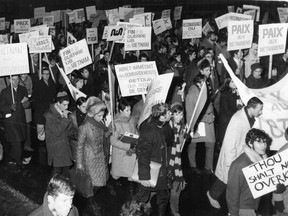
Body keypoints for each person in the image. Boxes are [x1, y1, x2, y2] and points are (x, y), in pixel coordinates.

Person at [207, 97, 264, 209]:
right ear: (251, 108)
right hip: (233, 156)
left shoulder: (250, 116)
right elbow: (229, 143)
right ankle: (212, 195)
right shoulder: (238, 119)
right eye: (259, 109)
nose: (261, 112)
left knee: (230, 180)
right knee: (226, 179)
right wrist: (230, 163)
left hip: (241, 153)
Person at [133, 103, 171, 216]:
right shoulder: (148, 131)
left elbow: (170, 140)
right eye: (168, 112)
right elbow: (143, 154)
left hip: (162, 171)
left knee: (163, 197)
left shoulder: (163, 125)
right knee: (141, 198)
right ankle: (130, 213)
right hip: (151, 171)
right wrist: (144, 177)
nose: (171, 113)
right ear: (162, 116)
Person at [76, 96, 111, 214]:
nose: (102, 118)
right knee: (92, 183)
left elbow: (102, 138)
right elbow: (79, 146)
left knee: (102, 181)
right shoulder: (84, 127)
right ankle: (91, 203)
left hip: (100, 157)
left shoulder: (99, 124)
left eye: (102, 115)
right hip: (90, 159)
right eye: (100, 116)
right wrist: (79, 163)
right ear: (92, 114)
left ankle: (89, 197)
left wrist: (109, 132)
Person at [226, 128, 271, 216]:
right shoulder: (240, 165)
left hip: (253, 206)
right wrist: (233, 214)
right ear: (250, 143)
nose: (264, 145)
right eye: (259, 142)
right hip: (243, 209)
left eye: (265, 142)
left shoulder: (259, 160)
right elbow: (232, 193)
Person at [185, 72, 215, 175]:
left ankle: (209, 167)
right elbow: (190, 114)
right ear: (198, 83)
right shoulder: (191, 95)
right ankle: (193, 165)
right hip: (198, 123)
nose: (207, 83)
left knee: (211, 144)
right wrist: (192, 130)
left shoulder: (205, 91)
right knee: (193, 145)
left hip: (209, 122)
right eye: (204, 82)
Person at [0, 75, 29, 171]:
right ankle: (18, 161)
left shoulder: (23, 89)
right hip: (11, 120)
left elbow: (27, 103)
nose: (15, 81)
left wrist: (25, 103)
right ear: (9, 80)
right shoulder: (5, 92)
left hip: (21, 119)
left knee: (19, 140)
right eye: (13, 79)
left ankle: (13, 158)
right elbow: (1, 107)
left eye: (17, 79)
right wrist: (10, 107)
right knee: (17, 140)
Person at [44, 91, 73, 176]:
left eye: (68, 104)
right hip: (56, 149)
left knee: (66, 174)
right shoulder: (49, 115)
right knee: (56, 174)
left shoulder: (63, 112)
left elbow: (68, 129)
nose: (67, 107)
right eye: (64, 105)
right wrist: (65, 119)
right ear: (58, 103)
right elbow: (57, 132)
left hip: (65, 147)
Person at [110, 98, 138, 180]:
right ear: (120, 111)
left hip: (131, 152)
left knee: (130, 176)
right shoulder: (115, 123)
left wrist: (137, 139)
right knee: (118, 177)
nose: (129, 112)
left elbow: (135, 132)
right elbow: (113, 141)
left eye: (130, 110)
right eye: (127, 110)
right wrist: (128, 146)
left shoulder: (132, 120)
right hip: (121, 154)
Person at [167, 103, 186, 216]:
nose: (179, 117)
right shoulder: (168, 126)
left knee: (176, 185)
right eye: (177, 114)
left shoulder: (180, 126)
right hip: (168, 159)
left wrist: (186, 134)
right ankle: (147, 202)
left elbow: (181, 142)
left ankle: (174, 209)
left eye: (181, 114)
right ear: (172, 114)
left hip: (177, 160)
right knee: (161, 186)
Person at [33, 66, 57, 142]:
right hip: (41, 109)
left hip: (49, 108)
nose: (47, 75)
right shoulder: (38, 84)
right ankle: (41, 143)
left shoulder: (51, 82)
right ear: (42, 75)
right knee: (41, 128)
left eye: (48, 74)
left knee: (49, 125)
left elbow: (54, 94)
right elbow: (35, 97)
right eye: (45, 74)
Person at [68, 97, 87, 161]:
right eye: (83, 107)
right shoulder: (72, 116)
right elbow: (68, 132)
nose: (86, 109)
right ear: (78, 106)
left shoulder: (89, 115)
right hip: (76, 146)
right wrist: (76, 135)